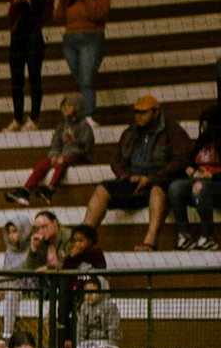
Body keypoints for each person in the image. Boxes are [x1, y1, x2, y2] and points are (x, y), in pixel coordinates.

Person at [80, 93, 192, 252]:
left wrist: (150, 178)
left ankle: (149, 242)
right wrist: (127, 176)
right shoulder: (129, 133)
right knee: (101, 189)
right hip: (133, 181)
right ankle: (83, 238)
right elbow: (116, 162)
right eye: (136, 112)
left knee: (157, 189)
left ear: (156, 112)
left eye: (143, 112)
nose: (138, 116)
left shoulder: (173, 131)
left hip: (160, 181)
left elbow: (181, 160)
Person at [6, 93, 95, 206]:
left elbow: (84, 147)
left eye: (70, 105)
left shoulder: (84, 127)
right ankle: (26, 191)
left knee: (63, 162)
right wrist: (54, 155)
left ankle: (50, 189)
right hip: (63, 157)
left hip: (80, 158)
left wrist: (65, 156)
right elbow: (55, 144)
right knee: (43, 163)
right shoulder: (61, 126)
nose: (66, 108)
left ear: (78, 107)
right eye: (64, 105)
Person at [56, 0, 110, 125]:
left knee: (86, 79)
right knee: (80, 78)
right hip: (70, 40)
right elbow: (58, 17)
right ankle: (82, 112)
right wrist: (63, 0)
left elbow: (98, 15)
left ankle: (88, 114)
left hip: (91, 38)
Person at [5, 0, 50, 132]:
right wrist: (16, 2)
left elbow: (44, 16)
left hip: (34, 38)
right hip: (17, 38)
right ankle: (17, 118)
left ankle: (34, 118)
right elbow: (11, 16)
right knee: (16, 80)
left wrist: (31, 2)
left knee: (34, 78)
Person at [171, 103, 219, 251]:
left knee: (200, 188)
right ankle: (185, 236)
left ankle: (208, 237)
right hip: (200, 180)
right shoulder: (203, 139)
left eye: (208, 124)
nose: (204, 127)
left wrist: (212, 176)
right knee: (175, 187)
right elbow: (188, 162)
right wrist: (191, 170)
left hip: (216, 183)